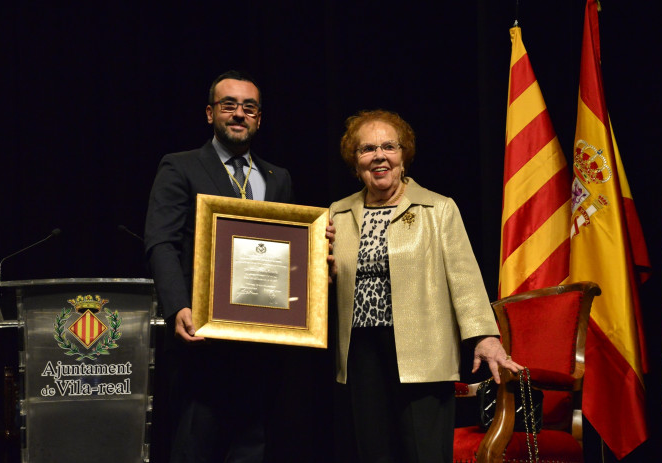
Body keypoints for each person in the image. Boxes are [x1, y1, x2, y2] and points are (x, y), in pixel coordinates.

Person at [145, 70, 333, 462]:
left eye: (249, 107)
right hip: (201, 343)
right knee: (196, 446)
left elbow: (286, 255)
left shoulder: (277, 177)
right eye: (228, 105)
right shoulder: (180, 167)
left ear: (259, 119)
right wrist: (178, 305)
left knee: (252, 448)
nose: (238, 114)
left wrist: (316, 255)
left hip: (260, 347)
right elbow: (161, 242)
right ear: (210, 113)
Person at [329, 109, 523, 462]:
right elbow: (322, 282)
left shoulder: (439, 209)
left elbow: (464, 278)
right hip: (361, 351)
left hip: (423, 351)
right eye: (367, 148)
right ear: (354, 161)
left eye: (389, 146)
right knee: (374, 453)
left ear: (404, 156)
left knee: (424, 453)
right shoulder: (336, 214)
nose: (379, 156)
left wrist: (485, 337)